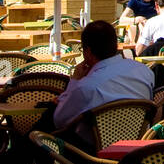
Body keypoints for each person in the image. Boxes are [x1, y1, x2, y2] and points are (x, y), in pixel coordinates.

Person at [53, 21, 156, 151]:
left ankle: (24, 162)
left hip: (92, 154)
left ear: (88, 52)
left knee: (45, 134)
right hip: (135, 148)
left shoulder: (86, 86)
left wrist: (74, 80)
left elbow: (59, 120)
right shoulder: (145, 71)